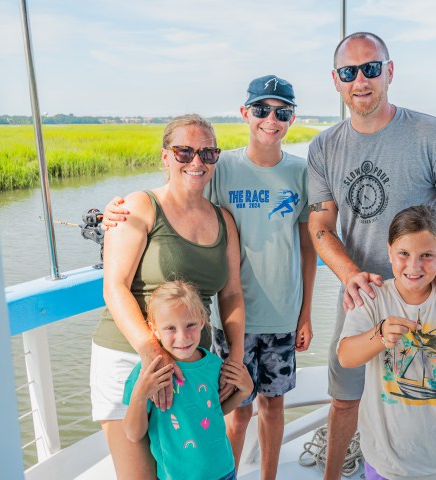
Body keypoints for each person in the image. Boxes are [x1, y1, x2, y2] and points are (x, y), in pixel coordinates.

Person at [105, 76, 317, 479]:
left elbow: (309, 245)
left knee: (267, 406)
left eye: (282, 112)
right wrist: (112, 210)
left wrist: (305, 313)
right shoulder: (222, 168)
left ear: (292, 118)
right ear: (246, 113)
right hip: (197, 329)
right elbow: (175, 192)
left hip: (275, 316)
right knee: (229, 409)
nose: (197, 161)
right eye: (261, 109)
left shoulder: (300, 173)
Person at [307, 32, 436, 478]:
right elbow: (320, 226)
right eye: (349, 72)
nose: (361, 80)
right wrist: (350, 276)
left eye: (371, 67)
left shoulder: (431, 133)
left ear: (390, 70)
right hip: (362, 300)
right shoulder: (323, 147)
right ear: (336, 81)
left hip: (425, 298)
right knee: (344, 397)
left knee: (427, 388)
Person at [91, 114, 245, 478]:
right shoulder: (139, 206)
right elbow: (114, 286)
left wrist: (234, 360)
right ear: (165, 157)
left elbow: (233, 294)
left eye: (208, 153)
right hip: (129, 356)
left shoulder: (225, 221)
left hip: (191, 363)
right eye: (184, 151)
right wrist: (153, 354)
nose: (196, 162)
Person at [337, 205, 436, 480]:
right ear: (389, 250)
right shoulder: (372, 297)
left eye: (427, 255)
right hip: (387, 460)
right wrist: (379, 335)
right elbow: (346, 356)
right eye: (404, 254)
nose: (414, 266)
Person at [123, 280, 253, 480]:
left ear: (202, 321)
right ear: (154, 329)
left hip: (224, 469)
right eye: (170, 328)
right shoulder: (147, 373)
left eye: (190, 325)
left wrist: (244, 391)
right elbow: (133, 434)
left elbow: (213, 411)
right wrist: (140, 395)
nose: (183, 337)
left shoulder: (213, 365)